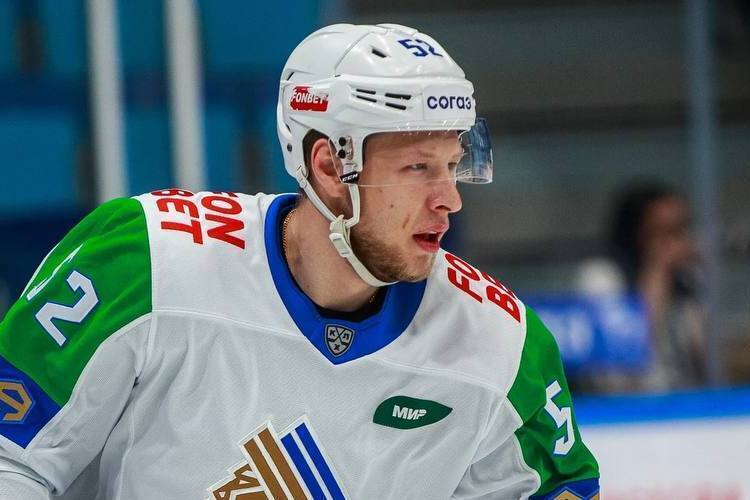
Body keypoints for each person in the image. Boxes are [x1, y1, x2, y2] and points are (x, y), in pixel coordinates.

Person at [0, 24, 598, 499]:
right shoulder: (144, 262)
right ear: (330, 167)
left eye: (451, 164)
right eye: (418, 167)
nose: (450, 199)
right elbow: (11, 458)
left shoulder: (505, 348)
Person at [577, 181, 705, 392]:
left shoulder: (686, 278)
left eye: (681, 230)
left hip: (685, 399)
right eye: (663, 233)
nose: (676, 244)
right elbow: (620, 360)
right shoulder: (602, 277)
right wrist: (657, 271)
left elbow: (707, 356)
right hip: (627, 401)